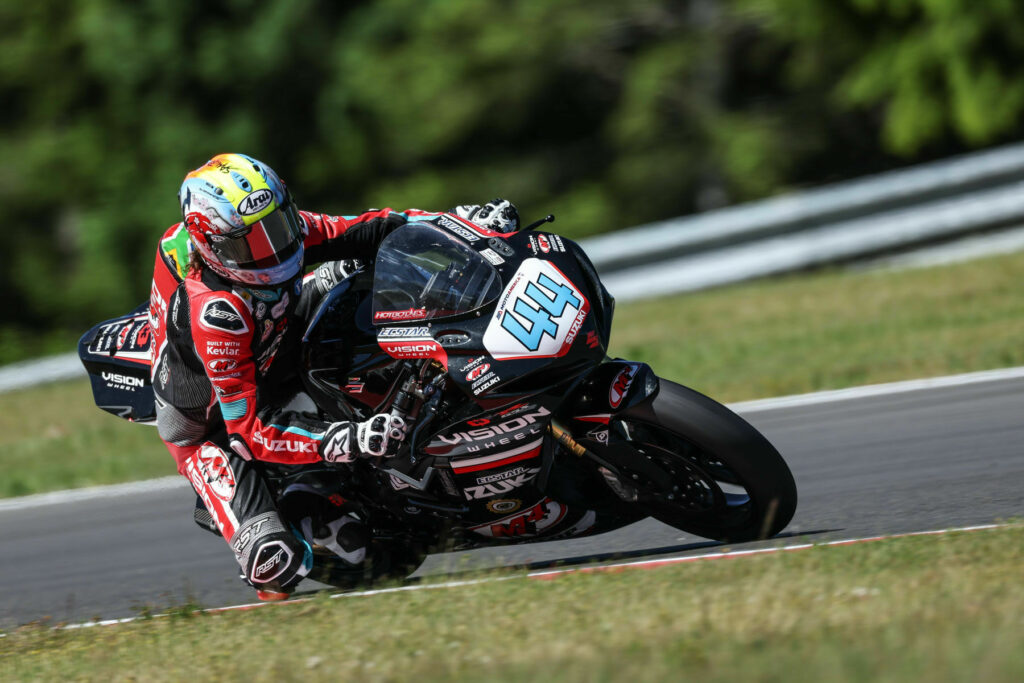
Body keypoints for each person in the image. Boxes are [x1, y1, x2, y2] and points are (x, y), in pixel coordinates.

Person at [148, 152, 518, 599]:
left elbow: (373, 227)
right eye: (254, 243)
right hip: (214, 423)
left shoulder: (285, 233)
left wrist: (462, 221)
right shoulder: (216, 314)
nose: (275, 247)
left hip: (275, 337)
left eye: (278, 226)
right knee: (273, 564)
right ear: (214, 246)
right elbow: (249, 428)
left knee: (355, 271)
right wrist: (352, 438)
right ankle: (298, 512)